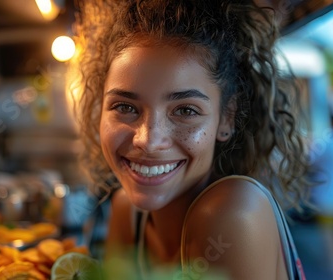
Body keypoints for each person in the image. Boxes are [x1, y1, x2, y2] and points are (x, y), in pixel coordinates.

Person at [70, 0, 311, 279]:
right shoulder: (127, 211)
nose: (148, 141)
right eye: (125, 107)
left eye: (185, 110)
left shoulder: (232, 213)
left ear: (226, 118)